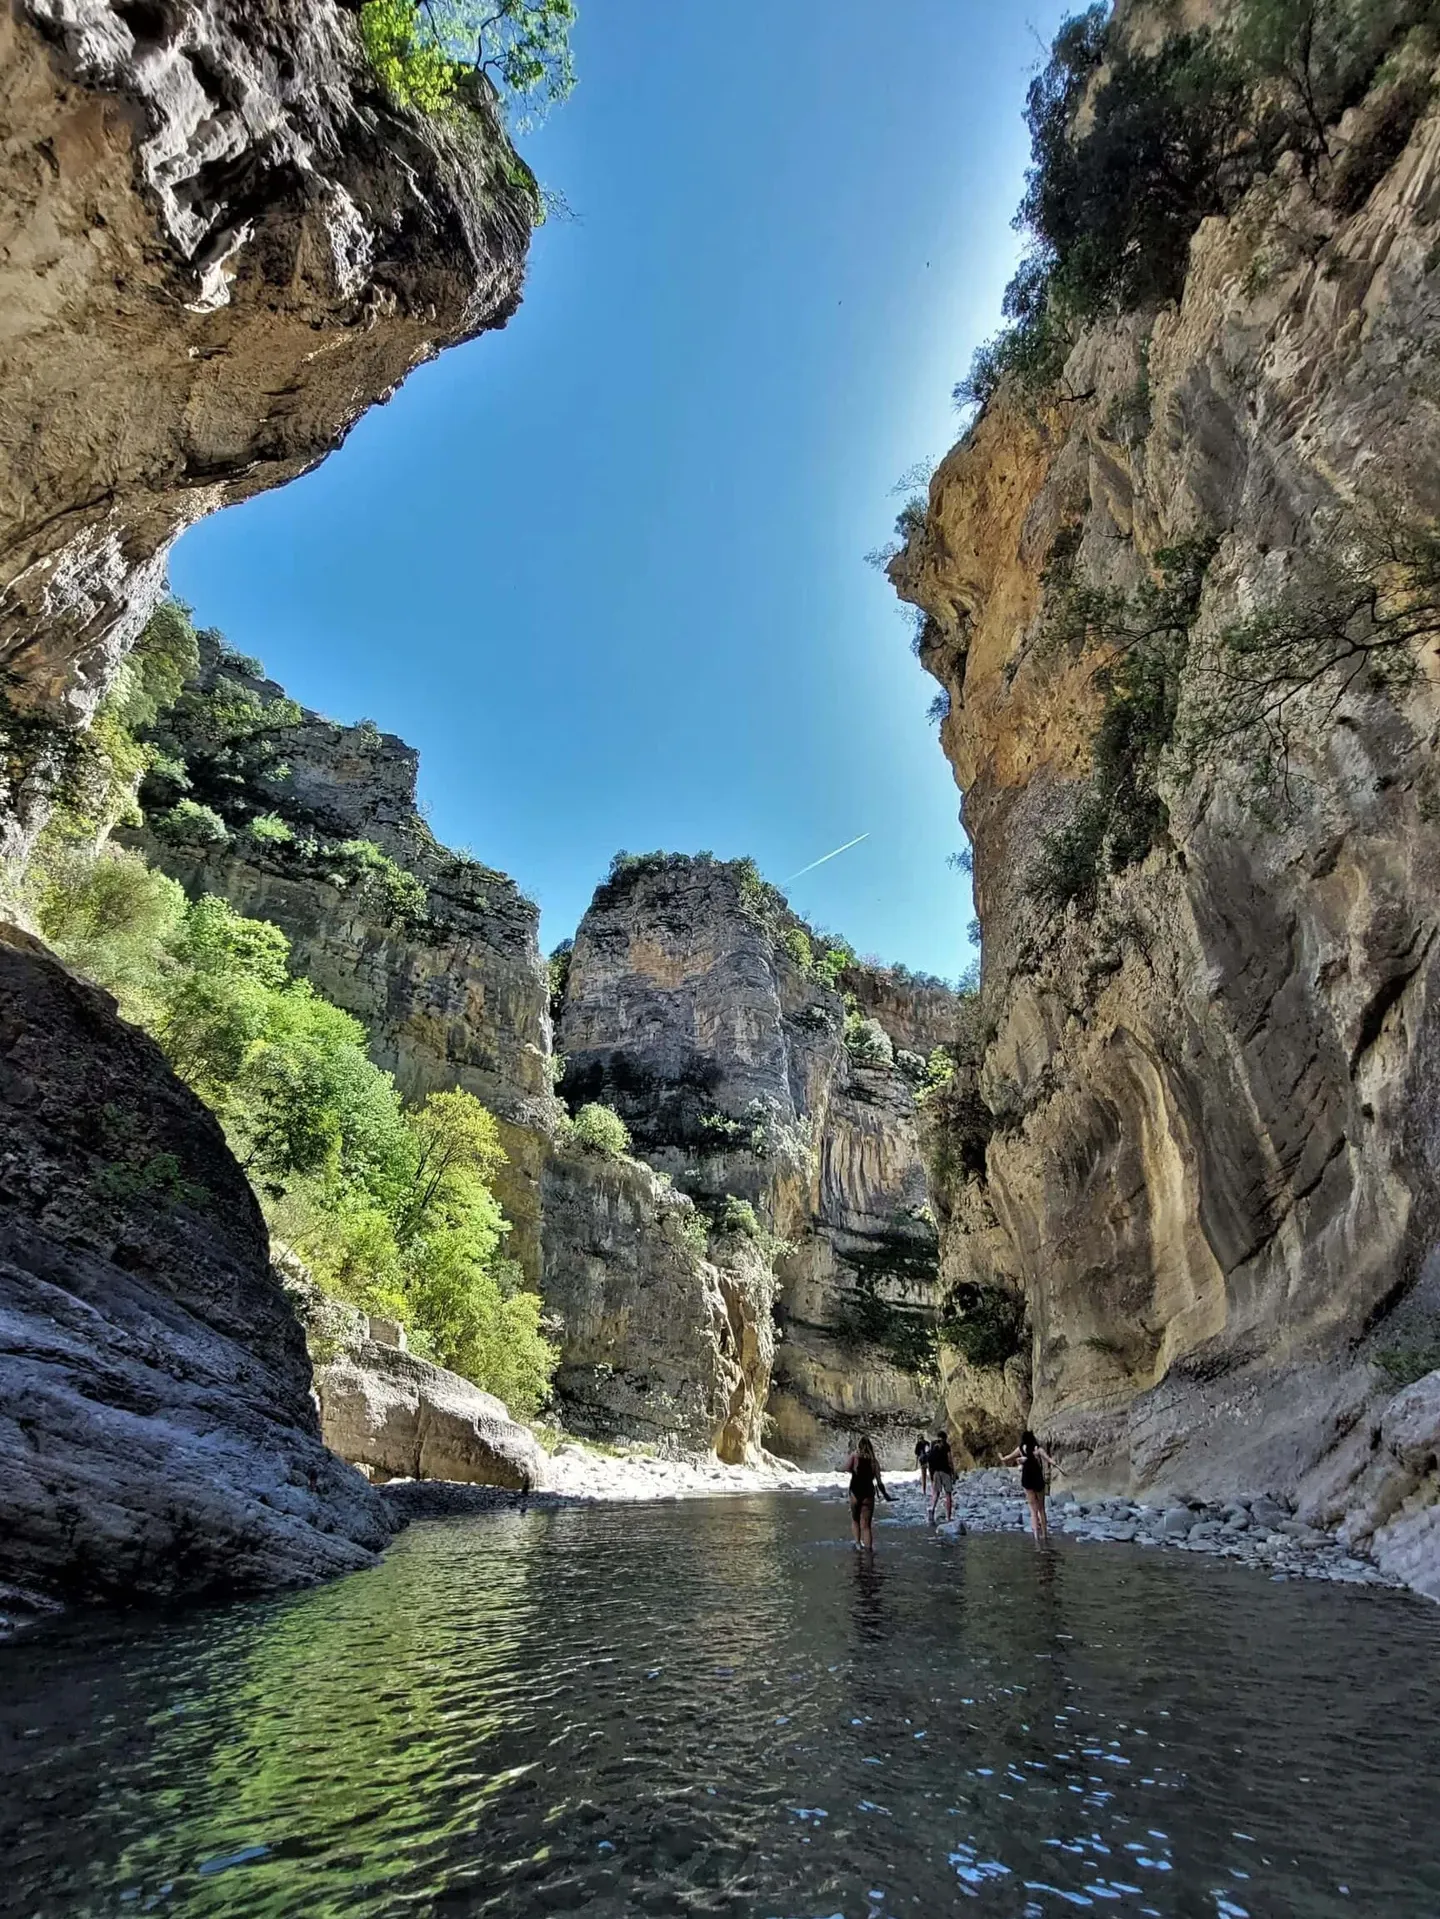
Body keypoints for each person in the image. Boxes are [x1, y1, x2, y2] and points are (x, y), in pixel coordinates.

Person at [1001, 1429, 1058, 1540]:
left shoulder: (1020, 1449)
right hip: (1037, 1478)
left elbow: (1007, 1458)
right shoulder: (1037, 1449)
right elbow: (1049, 1460)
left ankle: (1036, 1536)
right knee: (1041, 1509)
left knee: (1033, 1510)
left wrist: (1002, 1458)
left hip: (1027, 1479)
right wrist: (1055, 1464)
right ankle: (1045, 1535)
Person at [843, 1434, 894, 1550]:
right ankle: (868, 1551)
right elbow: (879, 1482)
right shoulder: (874, 1461)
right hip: (868, 1492)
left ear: (859, 1446)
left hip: (855, 1491)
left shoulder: (854, 1457)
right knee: (866, 1526)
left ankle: (857, 1544)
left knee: (855, 1519)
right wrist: (886, 1495)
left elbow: (846, 1468)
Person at [926, 1429, 956, 1524]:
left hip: (935, 1472)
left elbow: (929, 1460)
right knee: (948, 1494)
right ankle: (948, 1517)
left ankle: (932, 1509)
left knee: (936, 1493)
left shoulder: (933, 1444)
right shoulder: (946, 1446)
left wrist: (931, 1473)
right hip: (945, 1472)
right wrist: (953, 1472)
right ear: (945, 1437)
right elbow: (950, 1460)